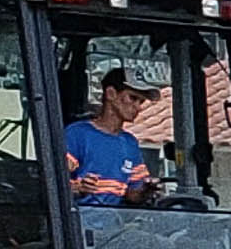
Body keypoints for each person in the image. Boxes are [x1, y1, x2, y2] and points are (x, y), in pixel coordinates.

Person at [61, 65, 164, 208]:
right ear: (110, 94)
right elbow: (54, 183)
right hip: (80, 221)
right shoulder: (77, 134)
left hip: (114, 223)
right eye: (132, 98)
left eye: (141, 102)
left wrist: (146, 190)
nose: (138, 107)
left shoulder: (130, 143)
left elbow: (132, 194)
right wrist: (78, 188)